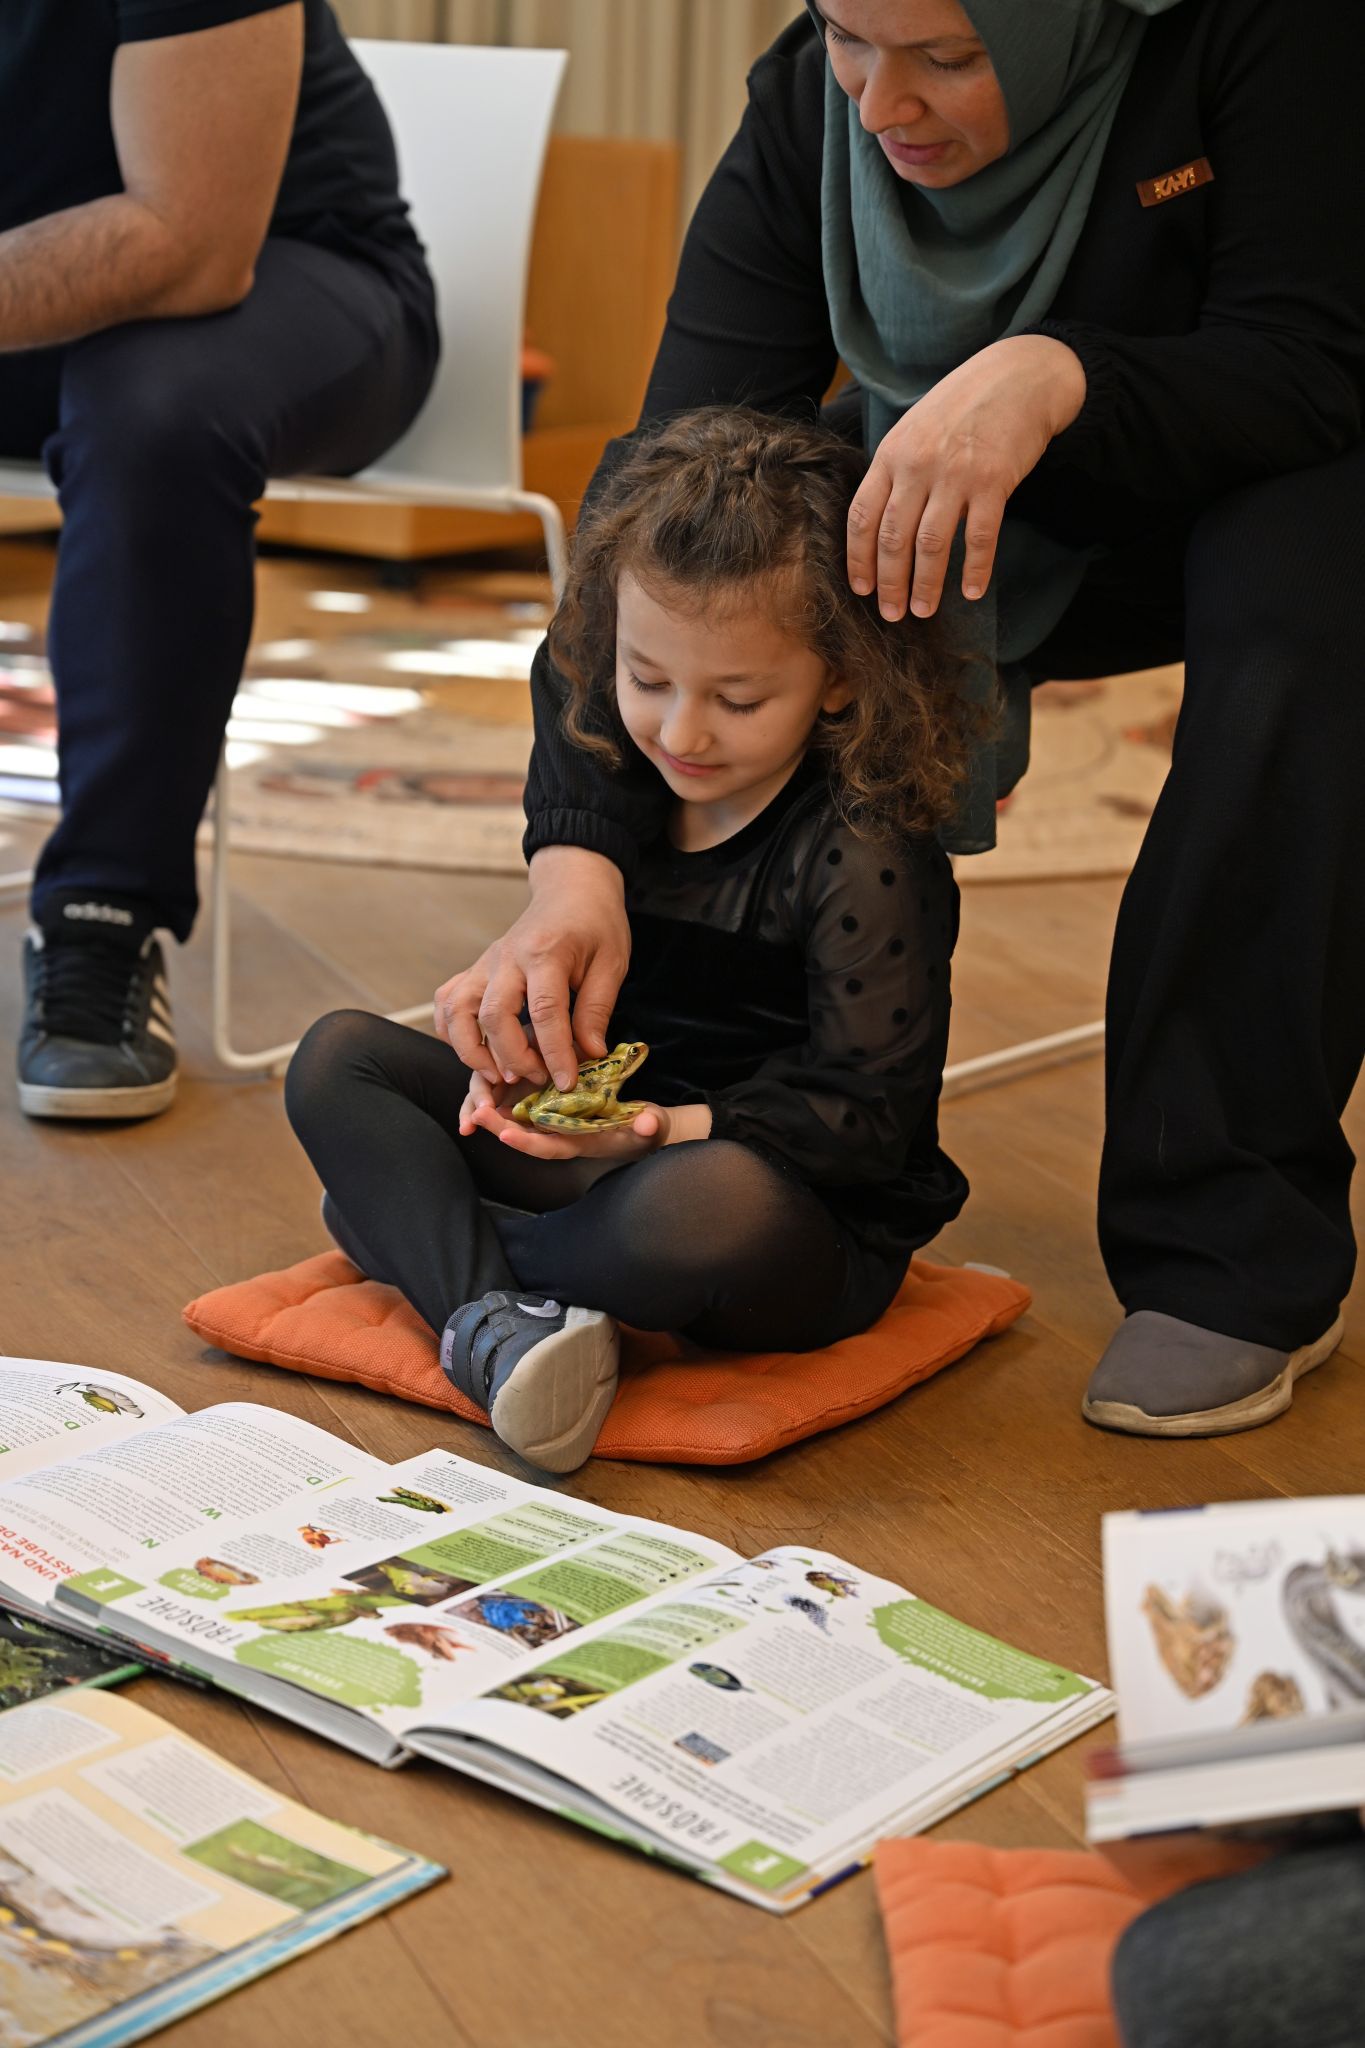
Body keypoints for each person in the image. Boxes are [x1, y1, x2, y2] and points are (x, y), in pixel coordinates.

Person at [433, 0, 1365, 1439]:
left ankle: (1228, 1249)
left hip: (1236, 477)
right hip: (918, 521)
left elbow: (1308, 360)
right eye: (852, 37)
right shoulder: (815, 101)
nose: (882, 104)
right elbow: (652, 490)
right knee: (715, 562)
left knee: (1315, 598)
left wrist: (1051, 371)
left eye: (948, 56)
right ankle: (695, 1136)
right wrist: (575, 856)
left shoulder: (1264, 40)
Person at [285, 409, 971, 1472]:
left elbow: (871, 1116)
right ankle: (498, 1317)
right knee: (340, 1057)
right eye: (647, 680)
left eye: (738, 699)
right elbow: (575, 1016)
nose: (681, 733)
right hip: (598, 1162)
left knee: (697, 1206)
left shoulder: (865, 850)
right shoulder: (622, 780)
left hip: (770, 1202)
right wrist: (515, 1065)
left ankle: (432, 1252)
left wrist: (659, 1128)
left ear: (839, 678)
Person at [9, 1, 437, 1122]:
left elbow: (190, 242)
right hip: (29, 310)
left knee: (152, 409)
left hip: (284, 282)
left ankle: (104, 913)